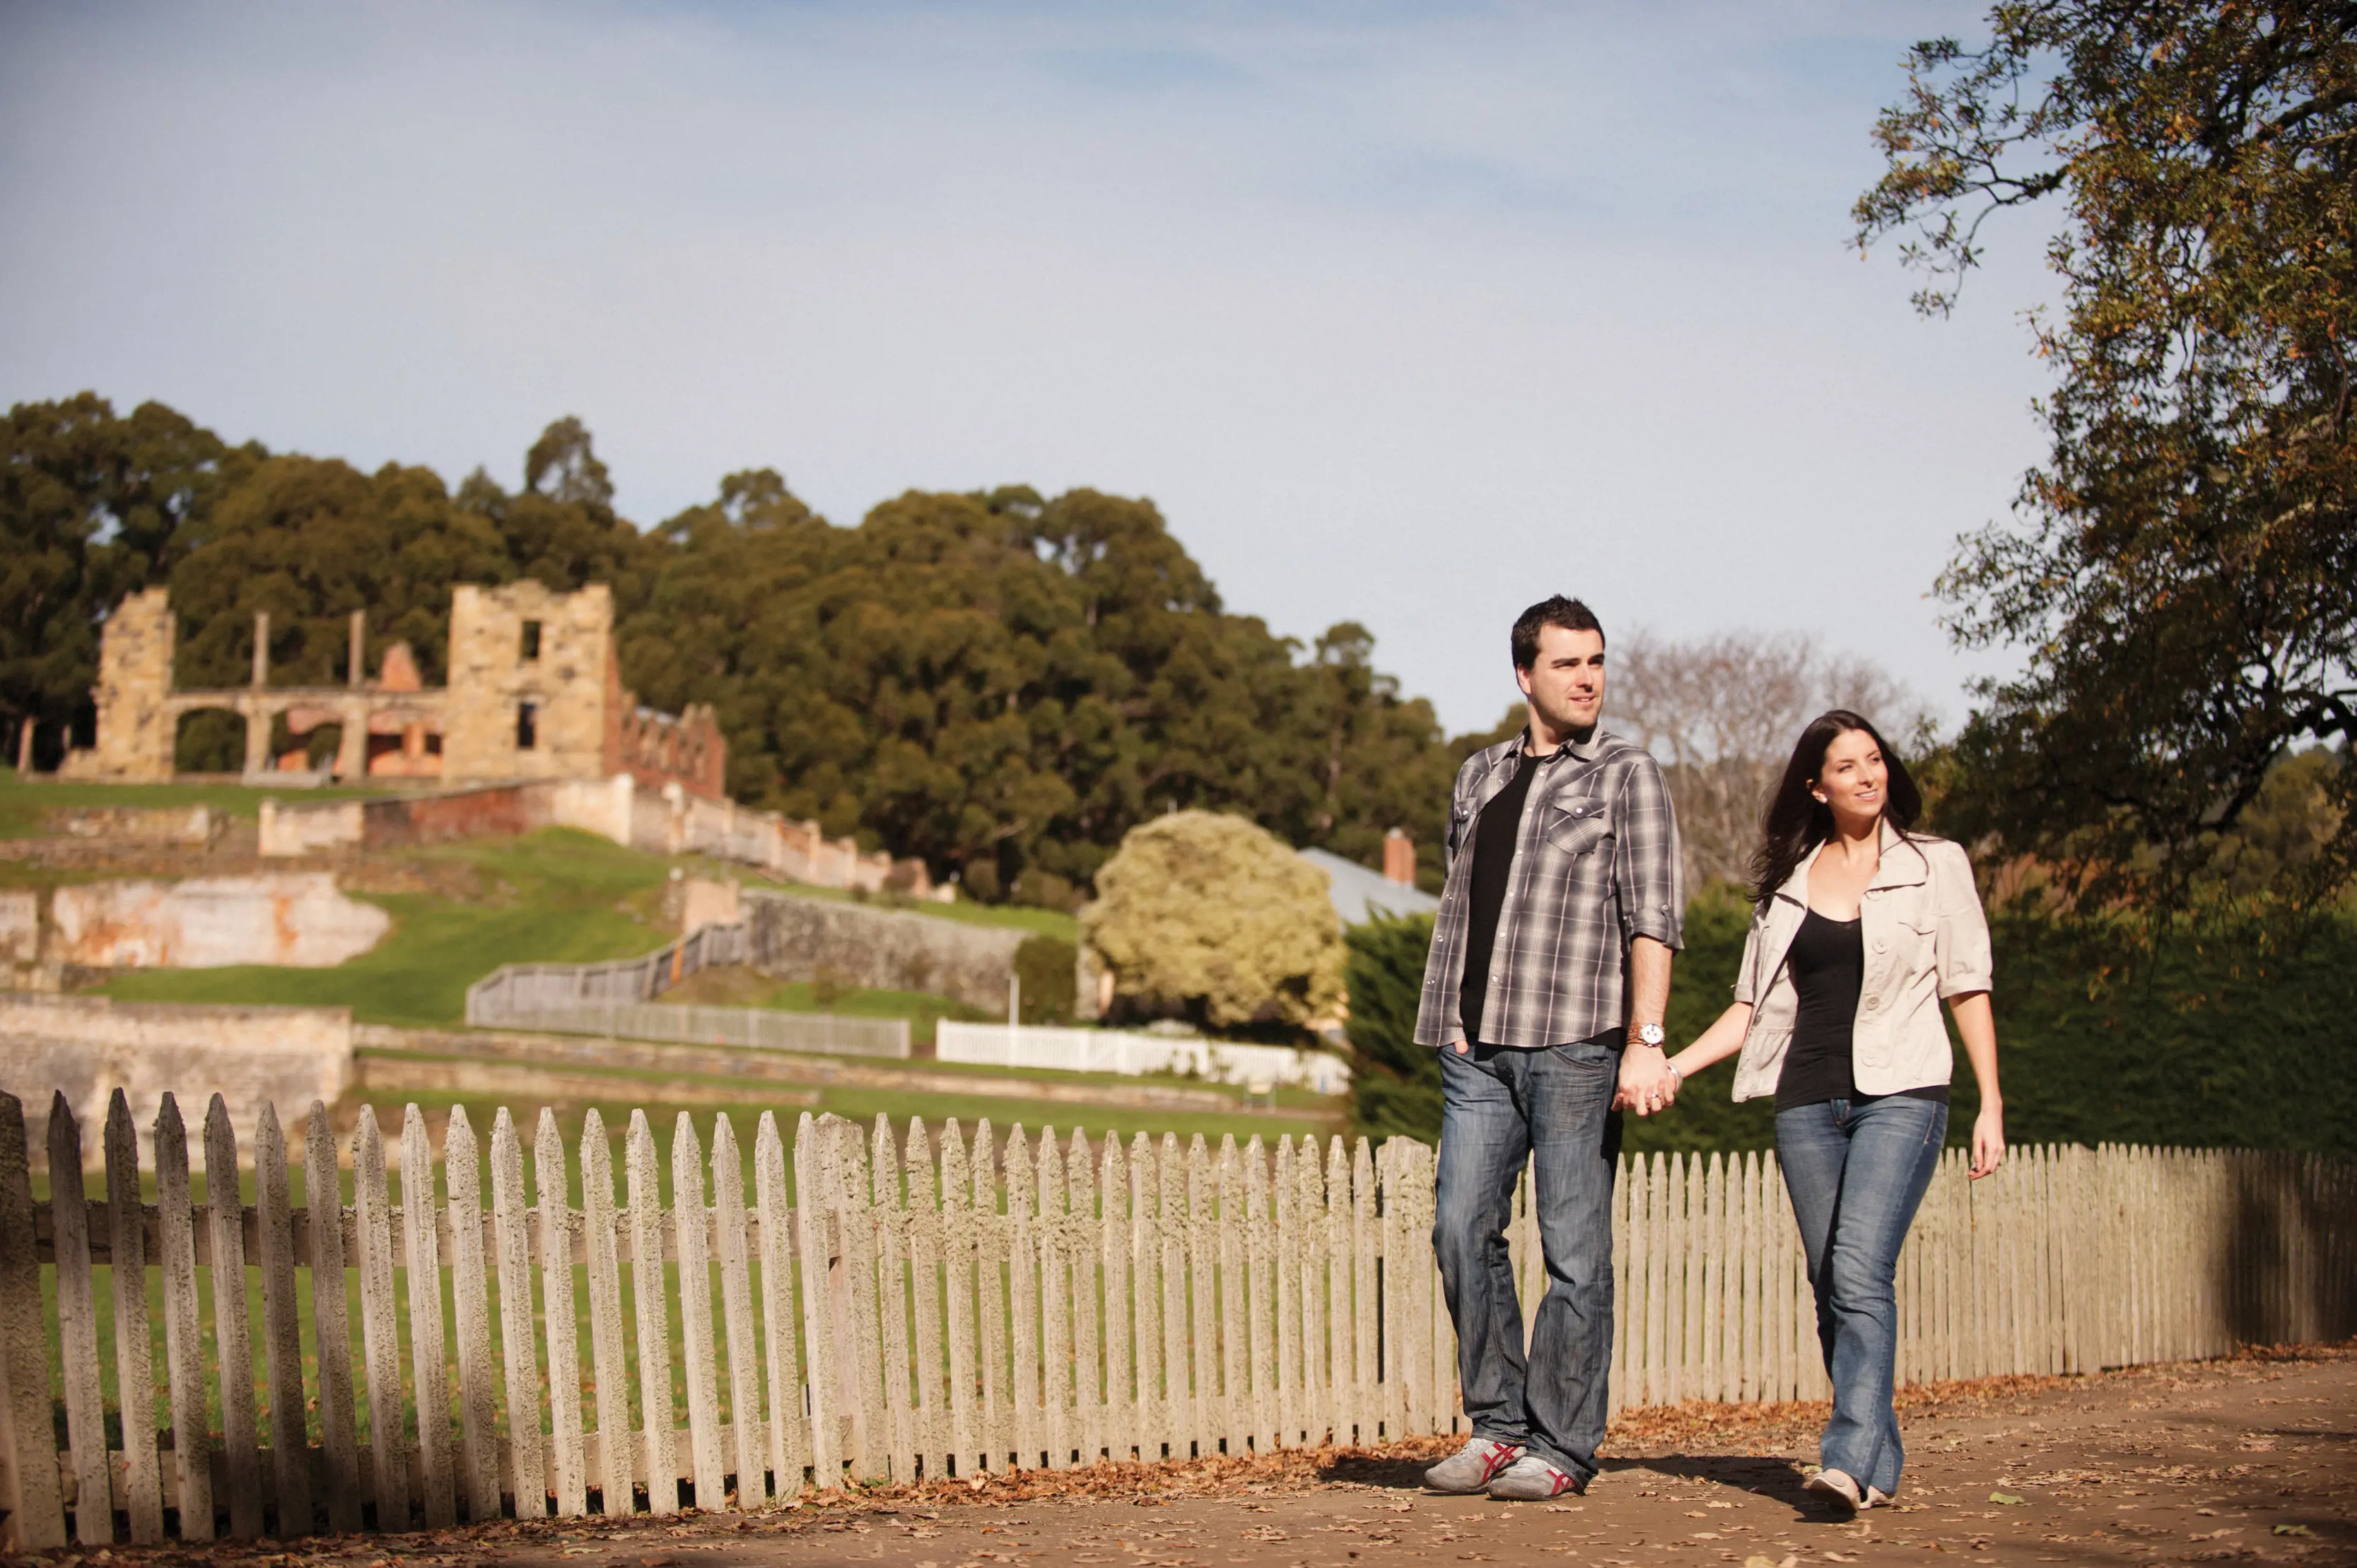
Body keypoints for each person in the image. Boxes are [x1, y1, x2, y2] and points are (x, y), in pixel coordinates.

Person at [1660, 709, 2004, 1513]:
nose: (1868, 774)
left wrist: (1990, 1101)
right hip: (1806, 1104)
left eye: (1875, 759)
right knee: (1830, 1282)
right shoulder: (1786, 887)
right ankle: (1877, 1461)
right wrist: (1672, 1066)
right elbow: (1750, 1008)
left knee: (1858, 1269)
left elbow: (1968, 983)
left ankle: (1843, 1461)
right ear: (1817, 786)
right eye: (1847, 766)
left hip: (1904, 1093)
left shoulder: (1935, 864)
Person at [1415, 595, 1684, 1500]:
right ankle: (1497, 1425)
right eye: (1567, 663)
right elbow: (1462, 901)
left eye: (1597, 661)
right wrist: (1454, 1016)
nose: (1587, 678)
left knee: (1575, 1249)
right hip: (1478, 1052)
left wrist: (1645, 1040)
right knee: (1460, 1230)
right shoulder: (1478, 774)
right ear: (1524, 674)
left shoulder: (1626, 775)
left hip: (1576, 1048)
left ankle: (1563, 1445)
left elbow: (1653, 919)